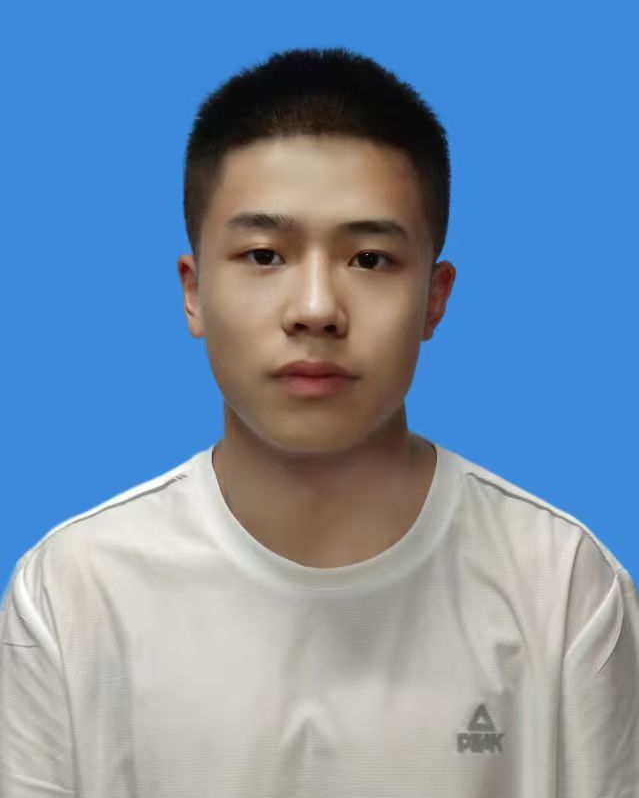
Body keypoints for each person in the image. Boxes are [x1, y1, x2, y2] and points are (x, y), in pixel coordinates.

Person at [1, 47, 637, 797]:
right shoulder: (74, 593)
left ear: (434, 300)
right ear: (194, 291)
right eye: (263, 254)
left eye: (368, 260)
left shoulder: (561, 587)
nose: (315, 310)